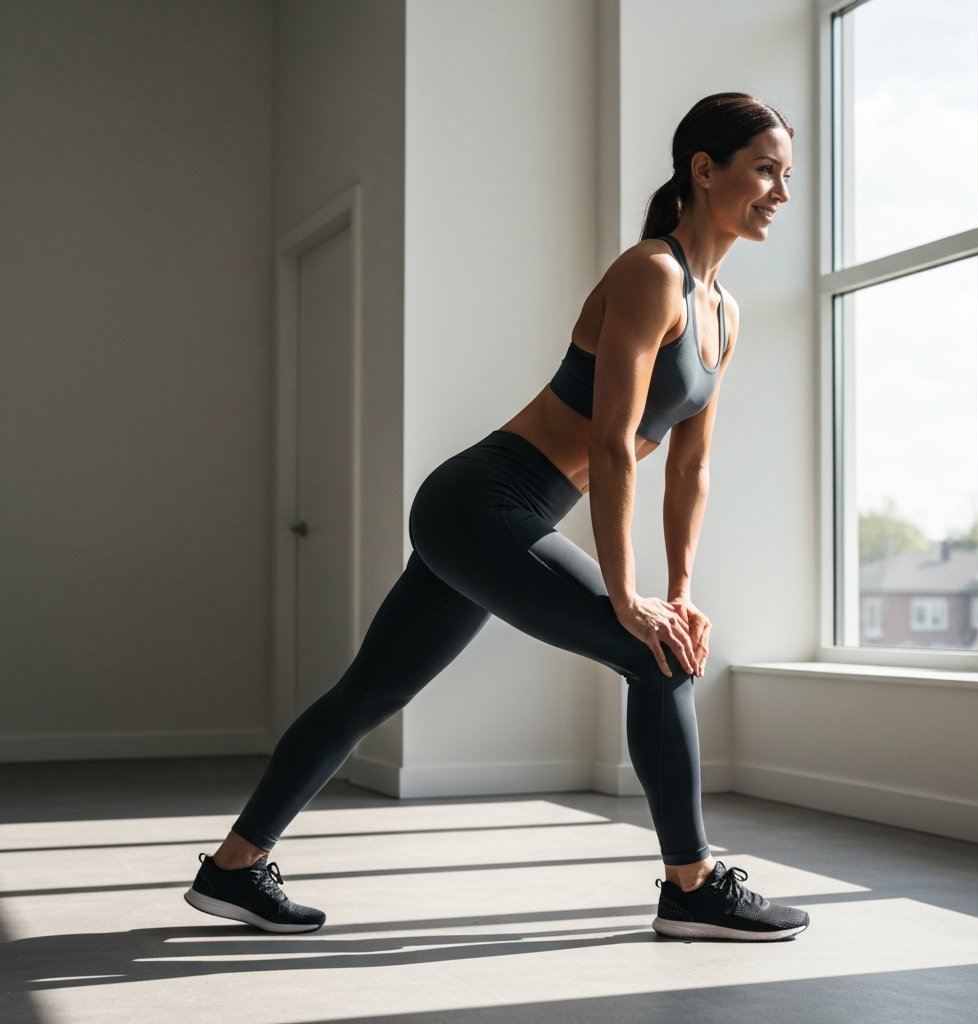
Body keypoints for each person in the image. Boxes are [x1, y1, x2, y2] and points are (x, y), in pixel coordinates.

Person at [184, 92, 808, 942]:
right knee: (655, 661)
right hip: (485, 499)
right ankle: (692, 886)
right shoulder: (651, 273)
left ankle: (232, 869)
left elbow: (691, 464)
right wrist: (629, 595)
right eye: (765, 168)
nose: (780, 189)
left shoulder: (722, 314)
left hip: (503, 514)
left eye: (786, 174)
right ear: (705, 170)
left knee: (371, 690)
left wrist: (681, 589)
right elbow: (615, 442)